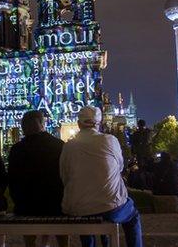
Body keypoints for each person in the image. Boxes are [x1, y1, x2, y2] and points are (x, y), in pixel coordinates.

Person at [60, 106, 142, 247]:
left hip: (78, 208)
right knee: (133, 216)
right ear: (98, 124)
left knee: (84, 212)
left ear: (79, 124)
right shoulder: (110, 141)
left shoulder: (69, 146)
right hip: (111, 207)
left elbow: (64, 177)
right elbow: (120, 167)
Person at [8, 110, 69, 247]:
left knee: (28, 215)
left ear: (24, 128)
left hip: (26, 207)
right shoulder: (59, 145)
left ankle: (31, 244)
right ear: (42, 124)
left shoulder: (17, 149)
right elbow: (67, 175)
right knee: (61, 226)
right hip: (56, 206)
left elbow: (12, 181)